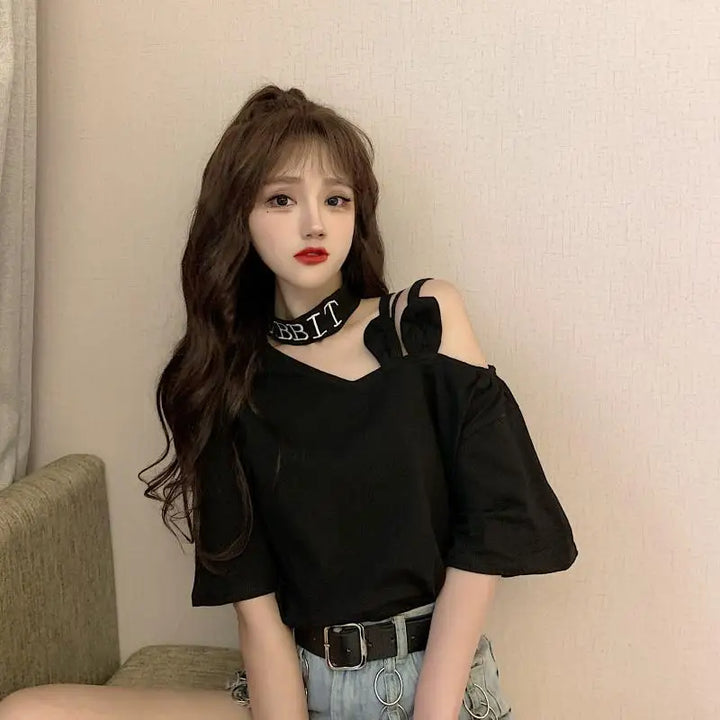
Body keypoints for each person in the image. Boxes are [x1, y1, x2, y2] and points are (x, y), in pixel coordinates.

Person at [0, 84, 578, 720]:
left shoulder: (421, 321)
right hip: (299, 689)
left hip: (431, 690)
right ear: (239, 217)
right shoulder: (226, 383)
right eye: (281, 199)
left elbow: (489, 532)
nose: (314, 223)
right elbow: (258, 611)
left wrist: (432, 711)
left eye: (336, 199)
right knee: (29, 711)